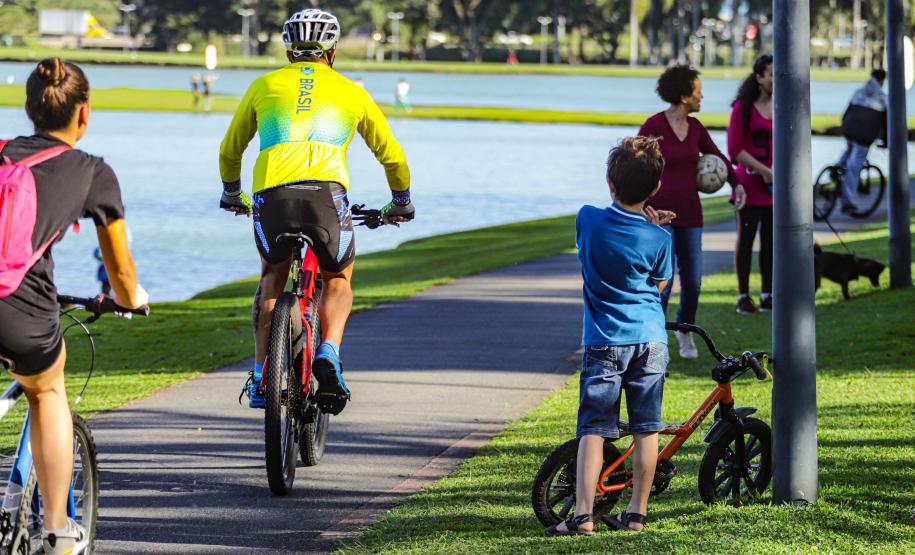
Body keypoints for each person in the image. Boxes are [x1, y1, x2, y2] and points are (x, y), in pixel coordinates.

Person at [218, 8, 413, 414]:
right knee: (338, 278)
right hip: (327, 198)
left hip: (273, 195)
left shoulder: (263, 85)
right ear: (333, 51)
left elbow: (229, 150)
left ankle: (259, 377)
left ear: (289, 50)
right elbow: (392, 156)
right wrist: (400, 201)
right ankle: (327, 350)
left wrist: (232, 193)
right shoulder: (352, 92)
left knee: (272, 277)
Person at [0, 57, 147, 555]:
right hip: (19, 309)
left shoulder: (1, 154)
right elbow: (122, 271)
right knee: (47, 390)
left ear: (28, 109)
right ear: (83, 114)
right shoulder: (92, 173)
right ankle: (59, 529)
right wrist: (132, 300)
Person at [545, 137, 674, 537]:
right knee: (646, 428)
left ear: (609, 182)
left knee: (594, 428)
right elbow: (661, 284)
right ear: (655, 189)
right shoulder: (661, 239)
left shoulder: (588, 218)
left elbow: (595, 245)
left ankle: (583, 516)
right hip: (651, 340)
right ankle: (637, 514)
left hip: (605, 341)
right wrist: (651, 230)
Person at [638, 65, 745, 359]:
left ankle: (685, 330)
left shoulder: (696, 128)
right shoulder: (654, 126)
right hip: (658, 216)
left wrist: (737, 185)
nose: (701, 96)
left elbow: (719, 158)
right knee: (665, 280)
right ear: (684, 94)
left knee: (694, 279)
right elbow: (635, 163)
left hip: (690, 214)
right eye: (697, 90)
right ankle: (655, 339)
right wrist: (640, 204)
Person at [727, 54, 773, 314]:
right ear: (758, 77)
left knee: (771, 242)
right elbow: (735, 150)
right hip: (749, 186)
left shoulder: (781, 105)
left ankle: (767, 294)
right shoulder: (743, 108)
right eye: (770, 74)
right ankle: (743, 296)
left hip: (773, 188)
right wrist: (764, 171)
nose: (775, 79)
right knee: (746, 239)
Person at [836, 68, 888, 214]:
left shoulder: (859, 92)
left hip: (849, 129)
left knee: (849, 149)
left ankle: (836, 169)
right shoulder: (883, 98)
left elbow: (846, 112)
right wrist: (886, 142)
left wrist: (844, 127)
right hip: (864, 135)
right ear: (882, 80)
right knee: (854, 168)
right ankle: (847, 202)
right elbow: (886, 124)